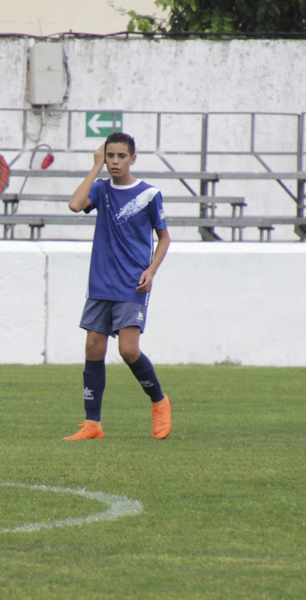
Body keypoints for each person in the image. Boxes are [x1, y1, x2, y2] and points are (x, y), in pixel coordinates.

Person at [63, 132, 172, 441]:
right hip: (100, 284)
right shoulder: (100, 190)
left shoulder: (149, 194)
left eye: (120, 156)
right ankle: (92, 425)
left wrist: (151, 271)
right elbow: (74, 204)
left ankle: (160, 402)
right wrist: (95, 167)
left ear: (132, 159)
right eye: (109, 156)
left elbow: (164, 238)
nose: (114, 162)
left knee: (128, 350)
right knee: (94, 349)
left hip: (131, 285)